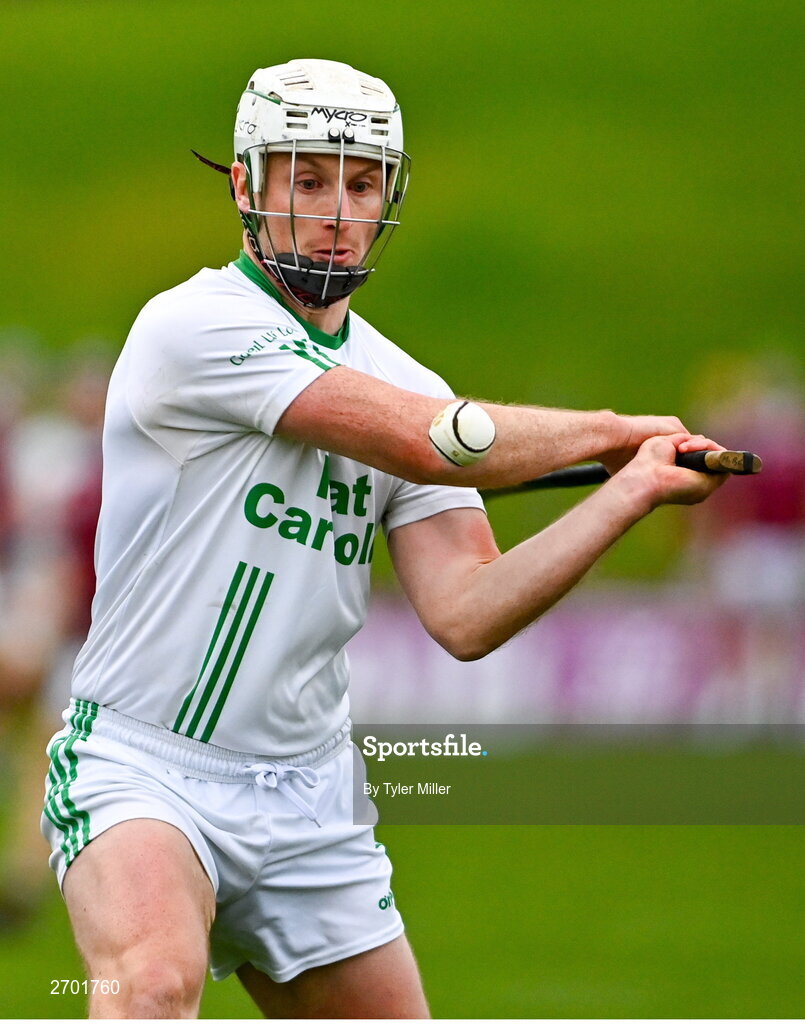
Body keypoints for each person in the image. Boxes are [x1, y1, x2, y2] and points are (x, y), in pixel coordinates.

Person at [41, 58, 727, 1019]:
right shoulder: (193, 328)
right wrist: (616, 431)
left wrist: (630, 493)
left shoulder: (405, 377)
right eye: (307, 177)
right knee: (150, 986)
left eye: (360, 183)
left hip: (310, 795)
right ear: (246, 185)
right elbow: (431, 444)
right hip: (148, 763)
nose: (335, 208)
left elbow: (466, 611)